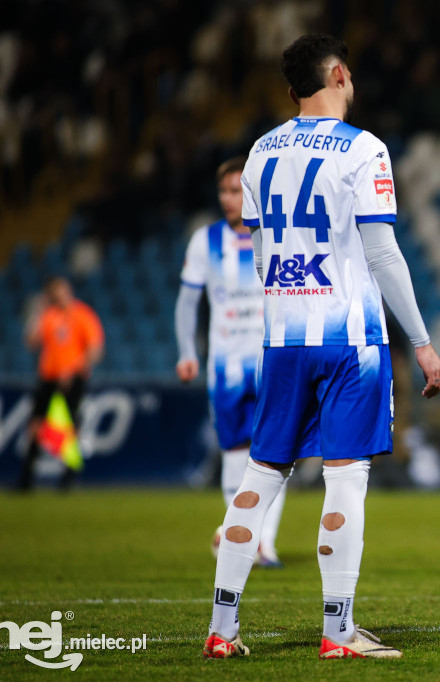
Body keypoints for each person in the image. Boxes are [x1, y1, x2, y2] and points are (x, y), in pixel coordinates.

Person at [202, 34, 440, 660]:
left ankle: (221, 630)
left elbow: (259, 255)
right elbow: (382, 251)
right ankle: (338, 631)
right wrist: (420, 341)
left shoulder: (258, 152)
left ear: (291, 91)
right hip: (350, 339)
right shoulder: (364, 149)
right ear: (338, 75)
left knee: (260, 474)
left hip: (281, 338)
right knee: (345, 480)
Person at [176, 157, 285, 568]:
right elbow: (187, 302)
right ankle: (242, 535)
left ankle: (265, 543)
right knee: (234, 452)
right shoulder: (205, 241)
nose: (229, 198)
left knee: (274, 451)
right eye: (224, 190)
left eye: (237, 190)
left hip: (270, 360)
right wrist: (187, 351)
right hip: (224, 366)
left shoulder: (275, 236)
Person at [18, 276, 104, 490]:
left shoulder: (82, 315)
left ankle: (68, 477)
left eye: (62, 290)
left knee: (71, 426)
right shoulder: (48, 315)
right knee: (36, 425)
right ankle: (27, 477)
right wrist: (37, 311)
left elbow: (95, 349)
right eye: (56, 292)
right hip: (48, 377)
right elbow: (30, 342)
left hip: (72, 378)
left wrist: (74, 369)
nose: (60, 295)